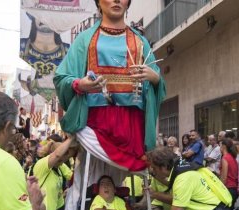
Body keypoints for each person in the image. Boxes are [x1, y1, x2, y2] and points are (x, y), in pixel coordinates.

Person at [53, 0, 166, 172]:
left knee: (118, 182)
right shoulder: (85, 39)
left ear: (128, 3)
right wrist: (79, 84)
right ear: (98, 2)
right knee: (89, 176)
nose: (117, 0)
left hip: (130, 125)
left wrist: (155, 79)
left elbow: (159, 84)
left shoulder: (140, 41)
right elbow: (62, 77)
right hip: (94, 121)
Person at [20, 13, 70, 80]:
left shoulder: (69, 51)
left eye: (51, 15)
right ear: (33, 17)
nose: (46, 18)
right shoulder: (21, 47)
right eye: (40, 13)